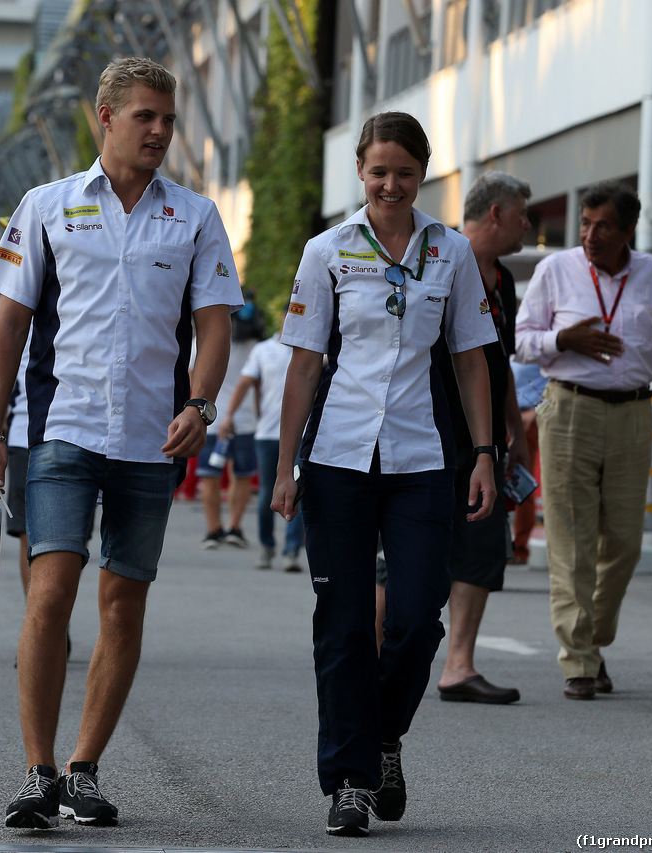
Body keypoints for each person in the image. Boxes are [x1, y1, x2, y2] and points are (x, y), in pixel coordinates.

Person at [0, 56, 240, 830]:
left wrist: (201, 401)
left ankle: (84, 769)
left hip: (150, 442)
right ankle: (37, 770)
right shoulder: (47, 205)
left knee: (123, 606)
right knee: (50, 592)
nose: (160, 130)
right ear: (107, 118)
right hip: (60, 430)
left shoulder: (194, 216)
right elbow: (9, 325)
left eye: (168, 117)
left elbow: (216, 323)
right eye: (145, 116)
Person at [271, 111, 497, 836]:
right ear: (360, 173)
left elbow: (470, 357)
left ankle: (381, 736)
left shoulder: (451, 251)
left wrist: (486, 452)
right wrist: (284, 465)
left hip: (423, 459)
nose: (390, 184)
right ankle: (348, 779)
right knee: (341, 622)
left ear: (422, 173)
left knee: (415, 618)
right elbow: (304, 363)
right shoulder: (327, 250)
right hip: (337, 457)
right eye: (378, 172)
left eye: (404, 172)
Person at [514, 180, 652, 701]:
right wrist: (563, 339)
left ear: (628, 232)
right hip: (569, 407)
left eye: (604, 226)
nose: (591, 234)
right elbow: (521, 343)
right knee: (571, 540)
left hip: (636, 414)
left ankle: (593, 639)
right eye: (586, 223)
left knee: (624, 543)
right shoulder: (556, 270)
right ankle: (578, 661)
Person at [431, 171, 533, 705]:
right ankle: (372, 656)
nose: (528, 225)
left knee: (482, 543)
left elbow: (501, 366)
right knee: (406, 547)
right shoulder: (441, 257)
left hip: (485, 440)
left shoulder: (504, 280)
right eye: (522, 214)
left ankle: (459, 666)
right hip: (430, 429)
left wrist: (514, 433)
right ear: (495, 213)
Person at [221, 307, 304, 570]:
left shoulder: (311, 350)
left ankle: (291, 550)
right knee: (269, 490)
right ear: (281, 317)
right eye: (289, 313)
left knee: (300, 492)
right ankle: (267, 546)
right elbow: (245, 383)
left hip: (304, 434)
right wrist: (228, 415)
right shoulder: (264, 350)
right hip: (269, 432)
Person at [198, 292, 263, 548]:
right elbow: (258, 386)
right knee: (242, 475)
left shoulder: (204, 340)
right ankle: (235, 527)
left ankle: (213, 529)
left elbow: (193, 377)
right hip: (245, 420)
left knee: (209, 476)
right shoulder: (257, 347)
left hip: (209, 417)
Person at [509, 361, 546, 564]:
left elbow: (556, 378)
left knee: (522, 481)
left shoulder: (537, 338)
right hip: (503, 413)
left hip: (527, 416)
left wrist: (538, 410)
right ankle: (499, 545)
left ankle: (520, 548)